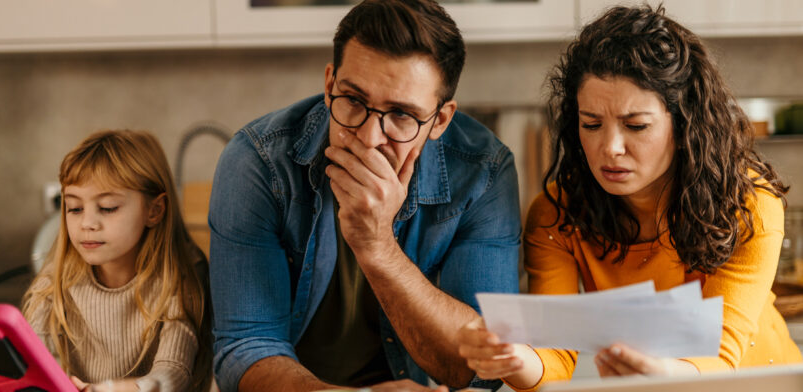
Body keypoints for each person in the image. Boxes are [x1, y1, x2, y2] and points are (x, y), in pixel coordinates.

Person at [457, 4, 803, 392]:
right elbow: (553, 358)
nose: (610, 148)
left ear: (685, 122)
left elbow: (720, 360)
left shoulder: (748, 204)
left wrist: (655, 374)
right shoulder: (558, 215)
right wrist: (514, 357)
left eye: (635, 125)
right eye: (591, 124)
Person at [208, 0, 521, 391]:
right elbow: (244, 348)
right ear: (328, 85)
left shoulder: (483, 173)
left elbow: (480, 371)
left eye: (402, 115)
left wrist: (378, 248)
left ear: (440, 120)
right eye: (354, 101)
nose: (370, 138)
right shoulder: (257, 162)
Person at [22, 130, 213, 392]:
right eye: (75, 208)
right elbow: (34, 366)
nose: (87, 223)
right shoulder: (54, 280)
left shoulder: (179, 278)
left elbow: (173, 372)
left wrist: (117, 389)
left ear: (154, 210)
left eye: (108, 207)